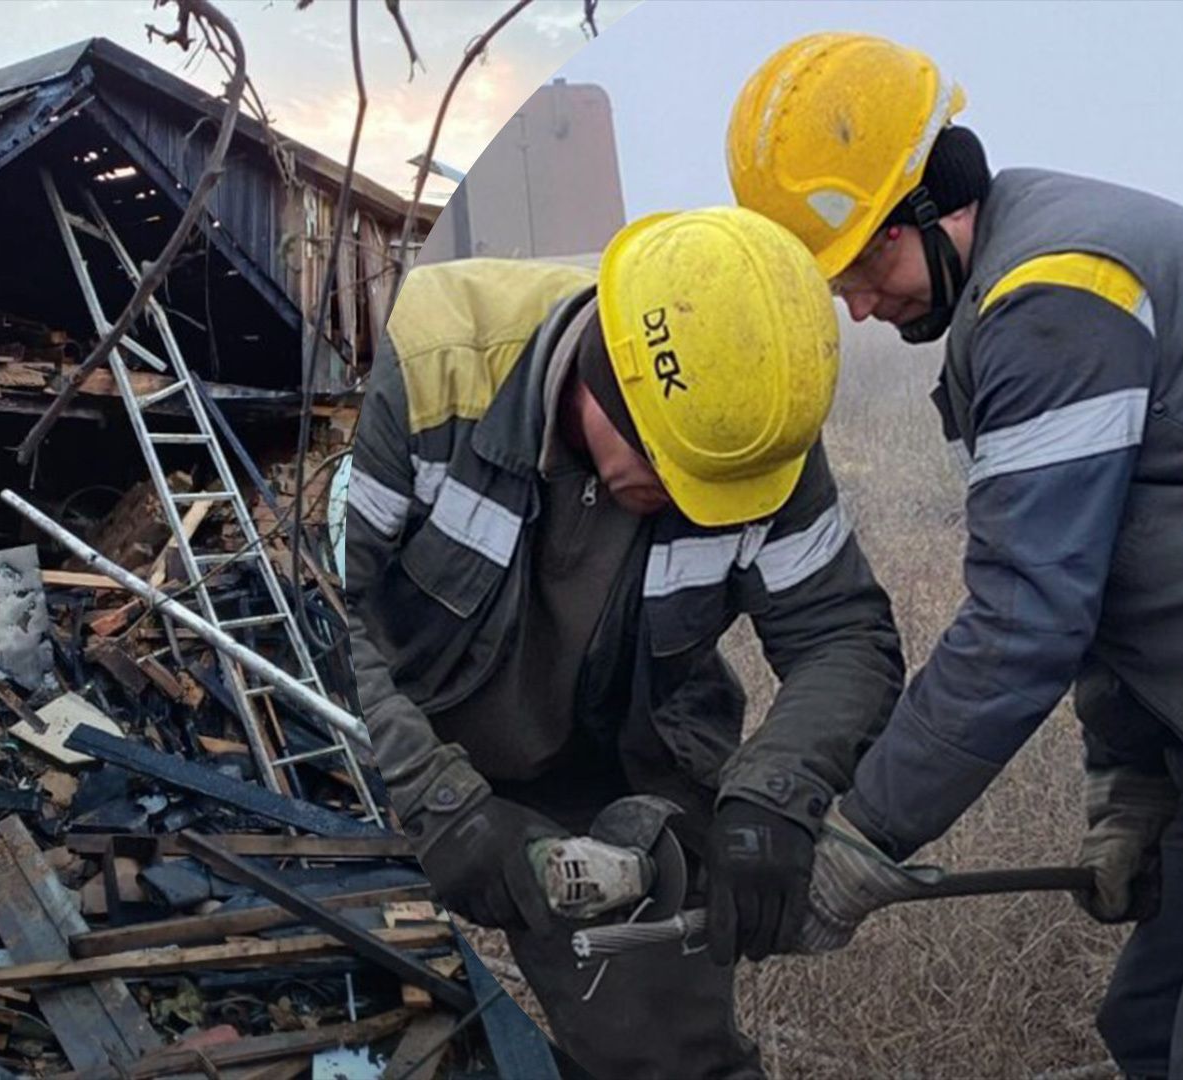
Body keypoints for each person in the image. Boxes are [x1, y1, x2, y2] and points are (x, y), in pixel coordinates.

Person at [729, 31, 1183, 1077]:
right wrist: (1131, 788)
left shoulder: (1055, 299)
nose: (857, 304)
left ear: (940, 199)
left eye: (867, 263)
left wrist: (864, 836)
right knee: (1152, 1030)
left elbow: (1026, 623)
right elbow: (1115, 574)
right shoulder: (1023, 289)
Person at [344, 206, 903, 1078]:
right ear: (608, 378)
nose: (699, 503)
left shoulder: (746, 422)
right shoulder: (436, 368)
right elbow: (322, 609)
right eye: (679, 473)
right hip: (400, 743)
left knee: (672, 1060)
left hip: (618, 767)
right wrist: (437, 799)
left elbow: (841, 635)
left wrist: (772, 795)